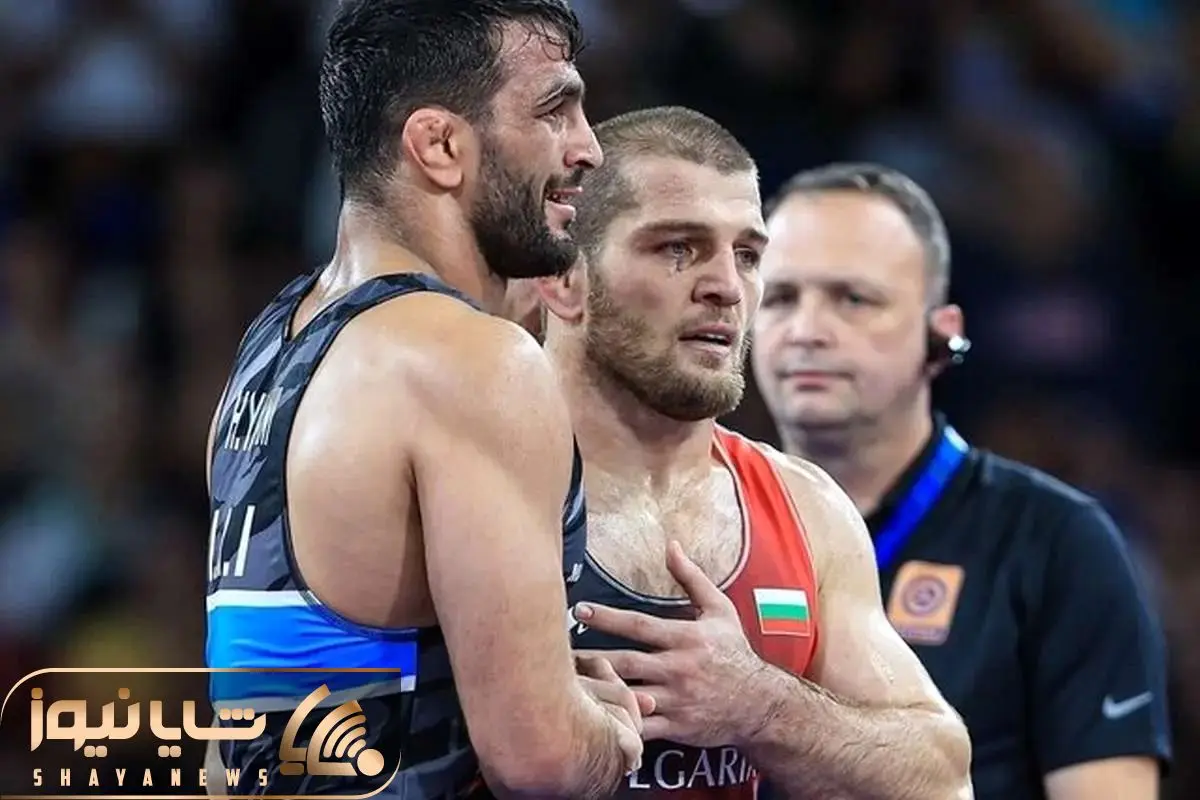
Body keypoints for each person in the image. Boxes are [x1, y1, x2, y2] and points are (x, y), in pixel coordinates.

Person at [202, 1, 646, 798]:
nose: (589, 148)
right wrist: (613, 731)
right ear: (439, 146)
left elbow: (232, 747)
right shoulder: (472, 363)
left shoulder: (273, 346)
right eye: (554, 110)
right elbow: (539, 761)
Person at [529, 106, 973, 799]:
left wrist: (762, 704)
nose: (727, 288)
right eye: (677, 248)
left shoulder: (807, 509)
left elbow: (943, 780)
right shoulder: (466, 486)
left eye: (747, 255)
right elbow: (344, 747)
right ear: (563, 277)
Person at [750, 162, 1171, 800]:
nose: (806, 330)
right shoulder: (705, 523)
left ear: (942, 334)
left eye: (854, 299)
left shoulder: (1056, 543)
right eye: (780, 297)